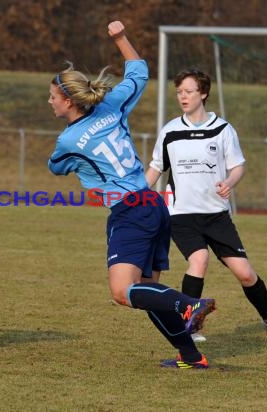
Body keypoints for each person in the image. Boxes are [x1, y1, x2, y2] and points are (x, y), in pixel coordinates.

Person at [47, 20, 216, 369]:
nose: (49, 102)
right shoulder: (113, 105)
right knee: (147, 295)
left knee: (122, 292)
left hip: (129, 210)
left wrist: (78, 166)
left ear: (67, 100)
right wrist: (121, 38)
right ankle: (191, 356)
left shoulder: (67, 141)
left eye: (52, 97)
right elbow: (138, 70)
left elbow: (56, 166)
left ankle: (188, 303)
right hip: (153, 202)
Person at [145, 68, 267, 343]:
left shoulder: (222, 130)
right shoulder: (170, 131)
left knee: (245, 274)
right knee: (199, 259)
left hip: (216, 215)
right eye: (179, 92)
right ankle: (189, 326)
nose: (183, 96)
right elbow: (156, 167)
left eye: (189, 91)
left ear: (203, 93)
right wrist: (139, 197)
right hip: (181, 214)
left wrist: (230, 182)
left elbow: (237, 166)